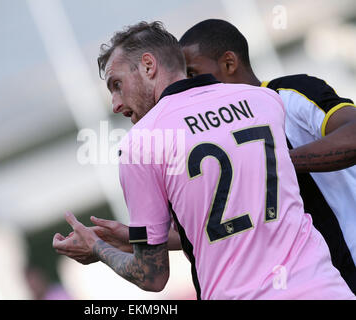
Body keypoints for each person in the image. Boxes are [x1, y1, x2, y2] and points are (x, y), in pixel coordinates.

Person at [53, 21, 354, 299]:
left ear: (148, 66)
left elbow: (152, 276)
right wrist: (136, 237)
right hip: (327, 289)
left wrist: (99, 248)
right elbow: (233, 226)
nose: (116, 104)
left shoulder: (142, 143)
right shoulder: (263, 102)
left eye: (117, 84)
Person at [178, 19, 356, 293]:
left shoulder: (289, 93)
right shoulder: (215, 139)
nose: (190, 87)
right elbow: (212, 225)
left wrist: (275, 162)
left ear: (228, 63)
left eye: (193, 74)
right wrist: (132, 239)